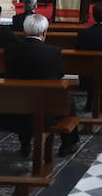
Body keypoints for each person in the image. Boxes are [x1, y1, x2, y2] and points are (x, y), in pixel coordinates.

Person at [5, 14, 77, 157]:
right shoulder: (53, 51)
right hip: (46, 107)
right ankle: (67, 144)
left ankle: (25, 144)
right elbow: (60, 74)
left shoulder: (10, 50)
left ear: (25, 31)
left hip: (15, 106)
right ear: (44, 33)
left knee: (25, 97)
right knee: (69, 102)